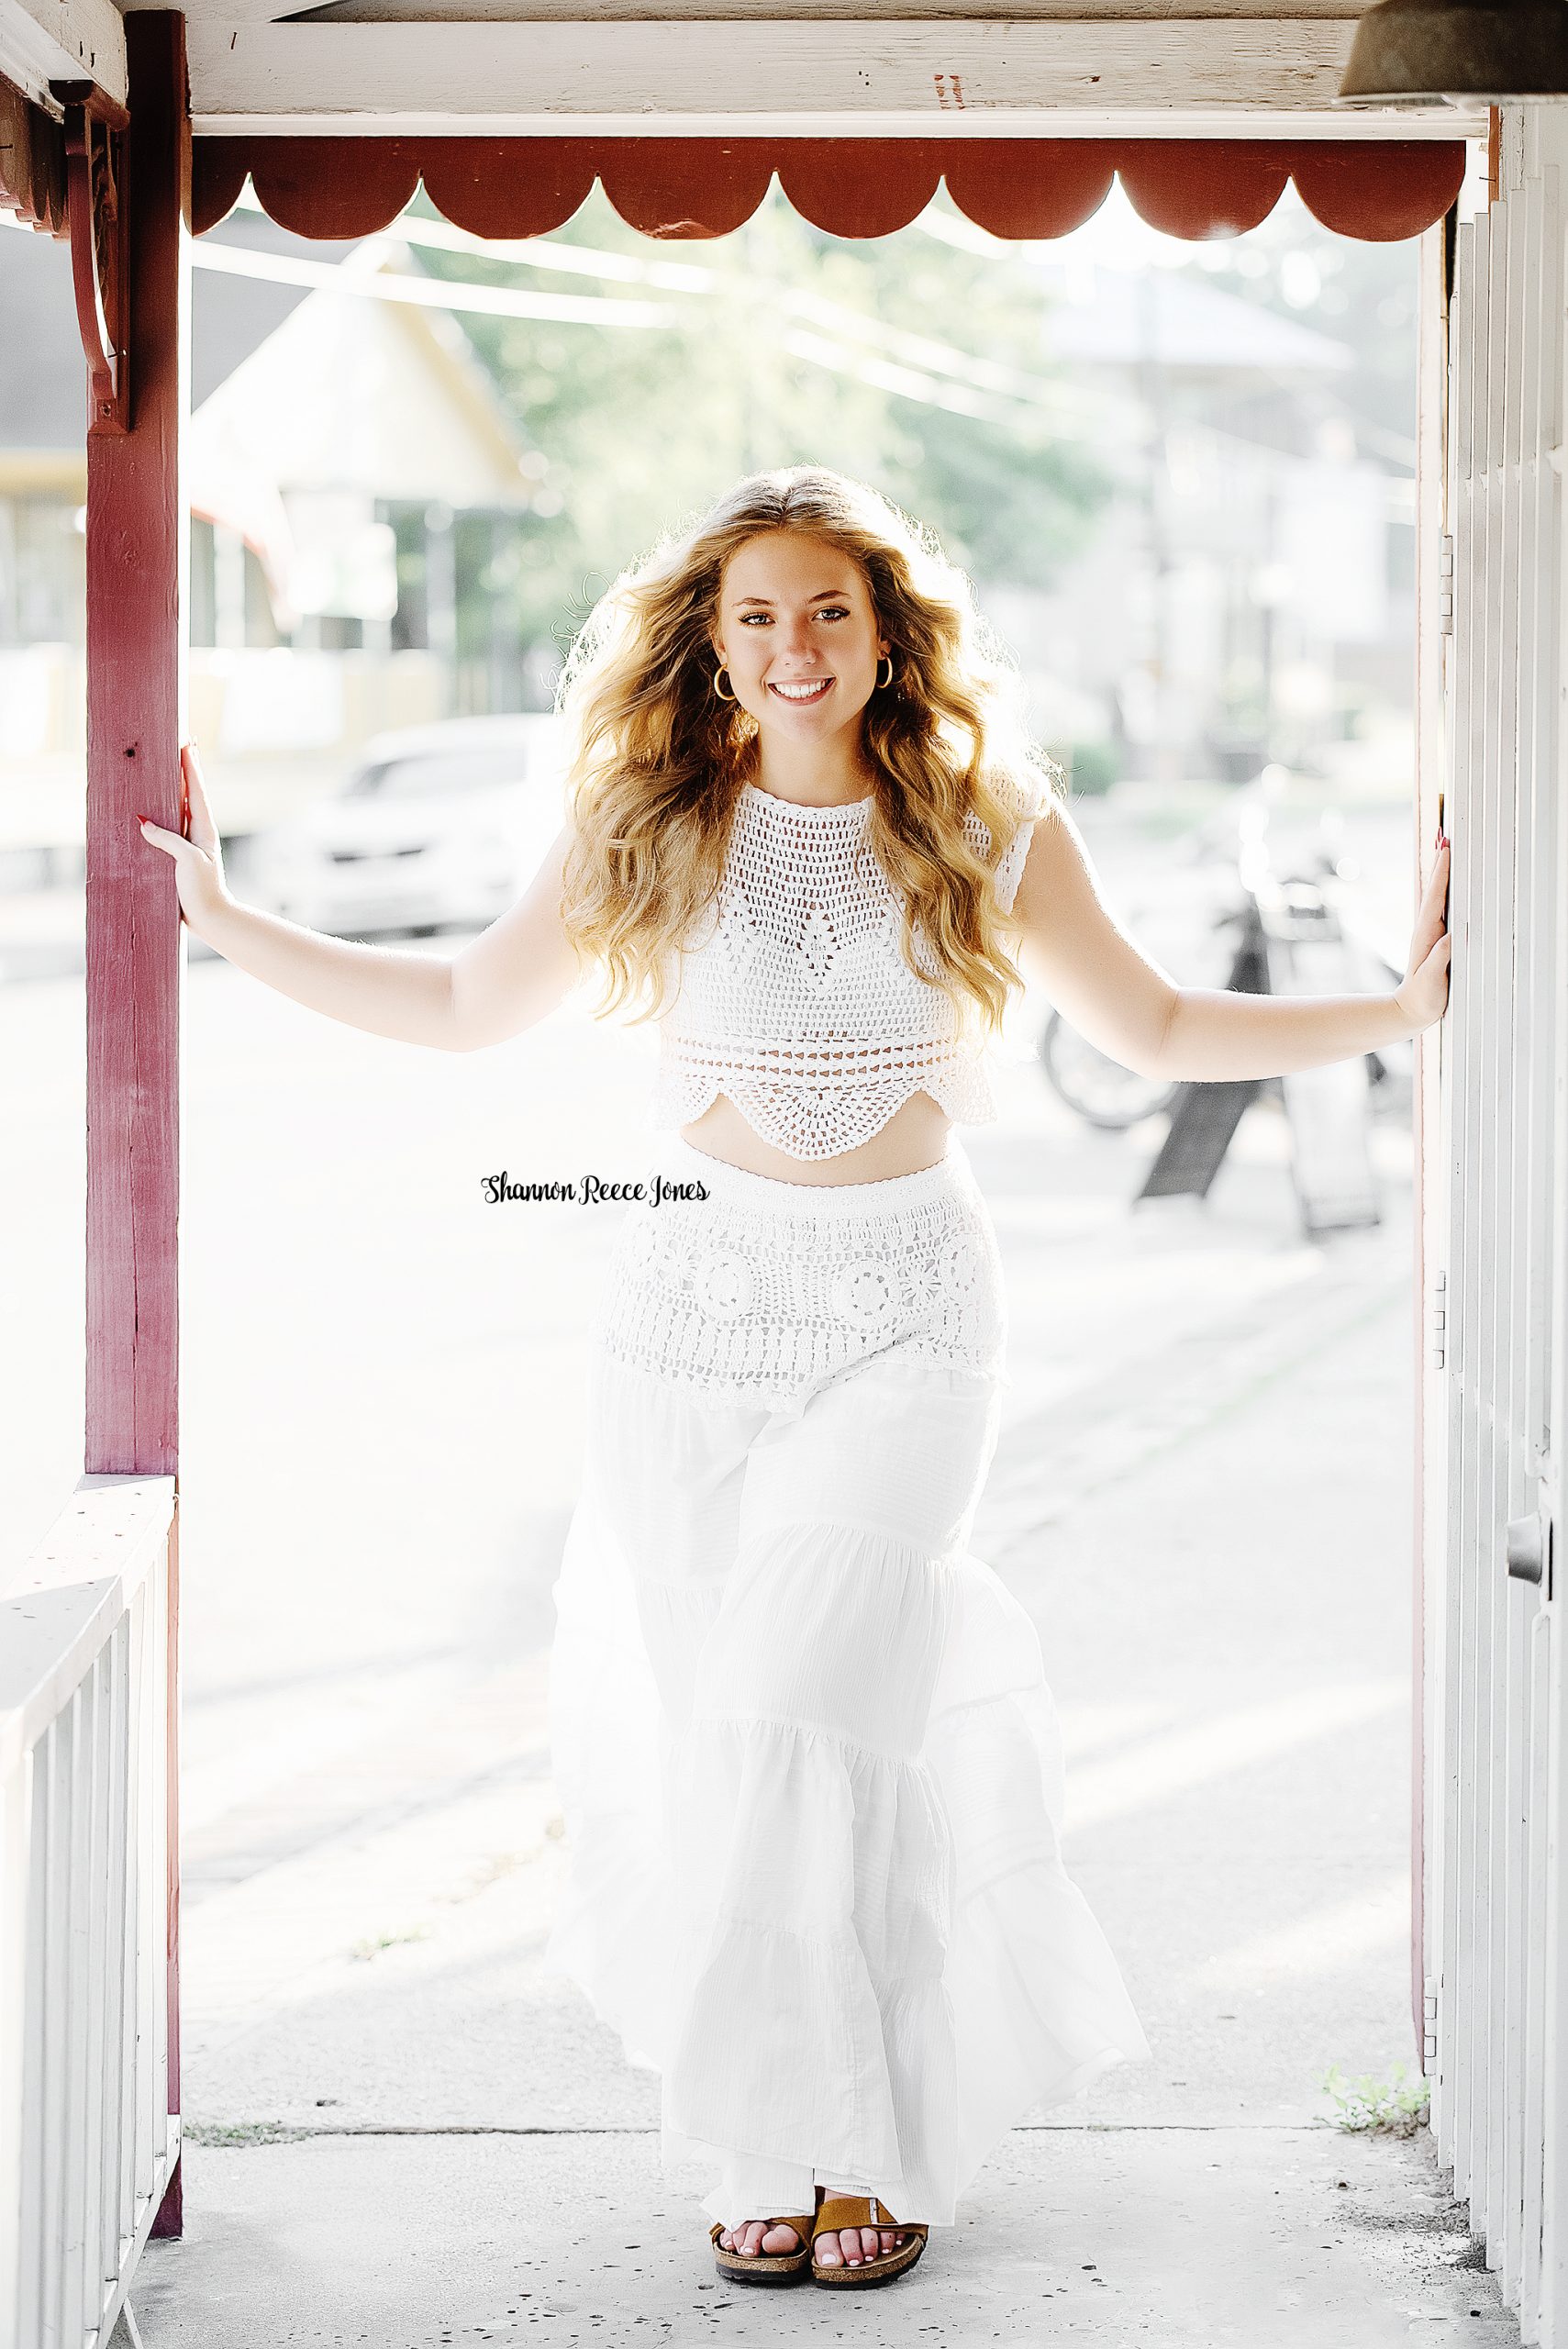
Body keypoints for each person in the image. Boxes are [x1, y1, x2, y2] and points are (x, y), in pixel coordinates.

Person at [140, 465, 1451, 2292]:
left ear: (887, 627)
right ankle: (788, 2139)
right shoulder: (650, 810)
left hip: (910, 1313)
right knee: (737, 1748)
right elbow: (456, 1008)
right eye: (757, 614)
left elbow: (1153, 1027)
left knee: (794, 1711)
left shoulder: (985, 812)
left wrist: (1402, 1006)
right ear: (711, 638)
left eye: (828, 608)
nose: (793, 645)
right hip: (686, 1318)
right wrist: (226, 918)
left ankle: (861, 2139)